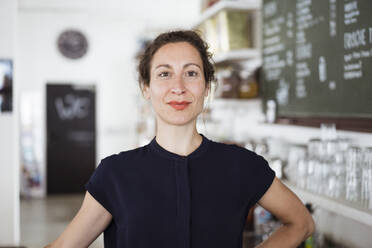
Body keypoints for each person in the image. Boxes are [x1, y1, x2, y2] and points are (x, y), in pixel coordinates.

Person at [45, 30, 314, 248]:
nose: (178, 87)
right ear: (146, 88)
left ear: (206, 87)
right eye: (164, 73)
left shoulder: (242, 165)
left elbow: (301, 223)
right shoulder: (114, 174)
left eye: (191, 73)